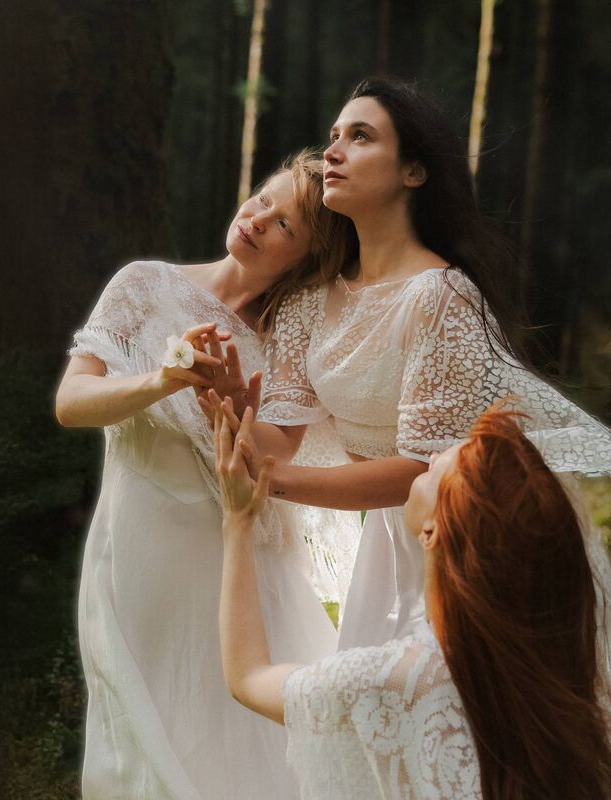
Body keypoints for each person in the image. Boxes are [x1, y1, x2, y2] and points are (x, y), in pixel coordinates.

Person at [204, 77, 611, 652]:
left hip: (478, 532)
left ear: (413, 172)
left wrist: (270, 484)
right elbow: (279, 440)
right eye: (334, 135)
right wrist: (230, 404)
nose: (334, 151)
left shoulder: (441, 295)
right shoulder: (309, 301)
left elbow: (418, 467)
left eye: (361, 136)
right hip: (392, 536)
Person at [55, 150, 358, 799]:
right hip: (134, 548)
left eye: (285, 225)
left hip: (233, 565)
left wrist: (232, 404)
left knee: (234, 749)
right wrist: (162, 380)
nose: (258, 218)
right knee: (139, 739)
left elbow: (278, 453)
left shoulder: (288, 342)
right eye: (264, 199)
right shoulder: (144, 285)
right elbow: (72, 402)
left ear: (306, 261)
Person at [215, 405, 611, 800]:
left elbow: (247, 677)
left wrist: (238, 519)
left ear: (434, 529)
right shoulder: (568, 679)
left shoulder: (391, 682)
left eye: (436, 469)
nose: (431, 457)